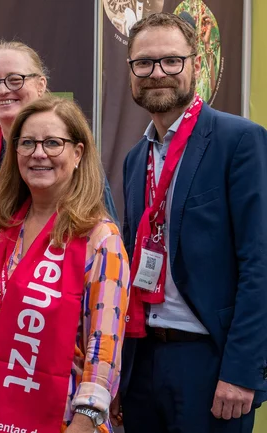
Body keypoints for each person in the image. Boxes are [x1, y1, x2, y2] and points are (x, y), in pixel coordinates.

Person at [0, 96, 130, 433]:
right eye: (27, 143)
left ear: (78, 153)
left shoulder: (101, 239)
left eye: (53, 143)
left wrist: (84, 423)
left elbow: (103, 350)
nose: (38, 153)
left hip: (62, 421)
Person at [120, 12, 267, 432]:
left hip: (210, 363)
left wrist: (242, 371)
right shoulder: (136, 160)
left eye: (171, 61)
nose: (156, 73)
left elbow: (259, 263)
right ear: (131, 71)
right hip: (143, 360)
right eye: (143, 63)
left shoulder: (238, 140)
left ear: (196, 66)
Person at [0, 40, 119, 283]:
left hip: (46, 303)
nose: (3, 90)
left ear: (41, 85)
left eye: (15, 79)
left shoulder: (65, 158)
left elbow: (103, 243)